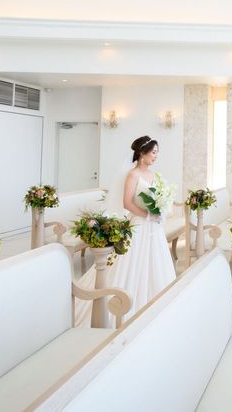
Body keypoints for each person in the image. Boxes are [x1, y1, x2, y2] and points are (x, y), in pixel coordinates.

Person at [75, 135, 176, 327]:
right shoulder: (133, 175)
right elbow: (127, 203)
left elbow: (159, 198)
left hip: (154, 228)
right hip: (139, 224)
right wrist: (147, 215)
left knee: (155, 261)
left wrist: (160, 210)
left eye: (157, 153)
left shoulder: (153, 175)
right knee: (130, 262)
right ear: (142, 153)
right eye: (154, 152)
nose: (156, 156)